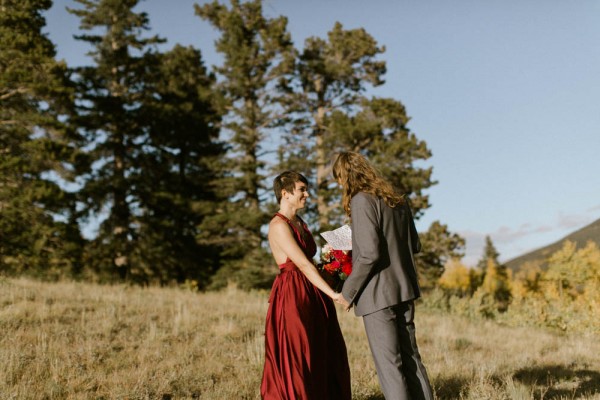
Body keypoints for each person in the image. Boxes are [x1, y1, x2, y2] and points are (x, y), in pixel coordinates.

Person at [332, 152, 433, 400]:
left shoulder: (361, 200)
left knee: (390, 367)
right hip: (404, 289)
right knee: (411, 360)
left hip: (378, 295)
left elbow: (369, 254)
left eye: (339, 179)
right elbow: (415, 245)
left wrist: (347, 293)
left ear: (346, 176)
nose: (339, 186)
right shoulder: (397, 200)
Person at [261, 171, 351, 400]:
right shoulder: (278, 225)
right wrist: (333, 294)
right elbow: (301, 264)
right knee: (301, 353)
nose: (307, 194)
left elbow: (311, 264)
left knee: (323, 349)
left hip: (312, 290)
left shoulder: (300, 222)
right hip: (293, 294)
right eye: (302, 189)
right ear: (285, 193)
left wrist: (335, 264)